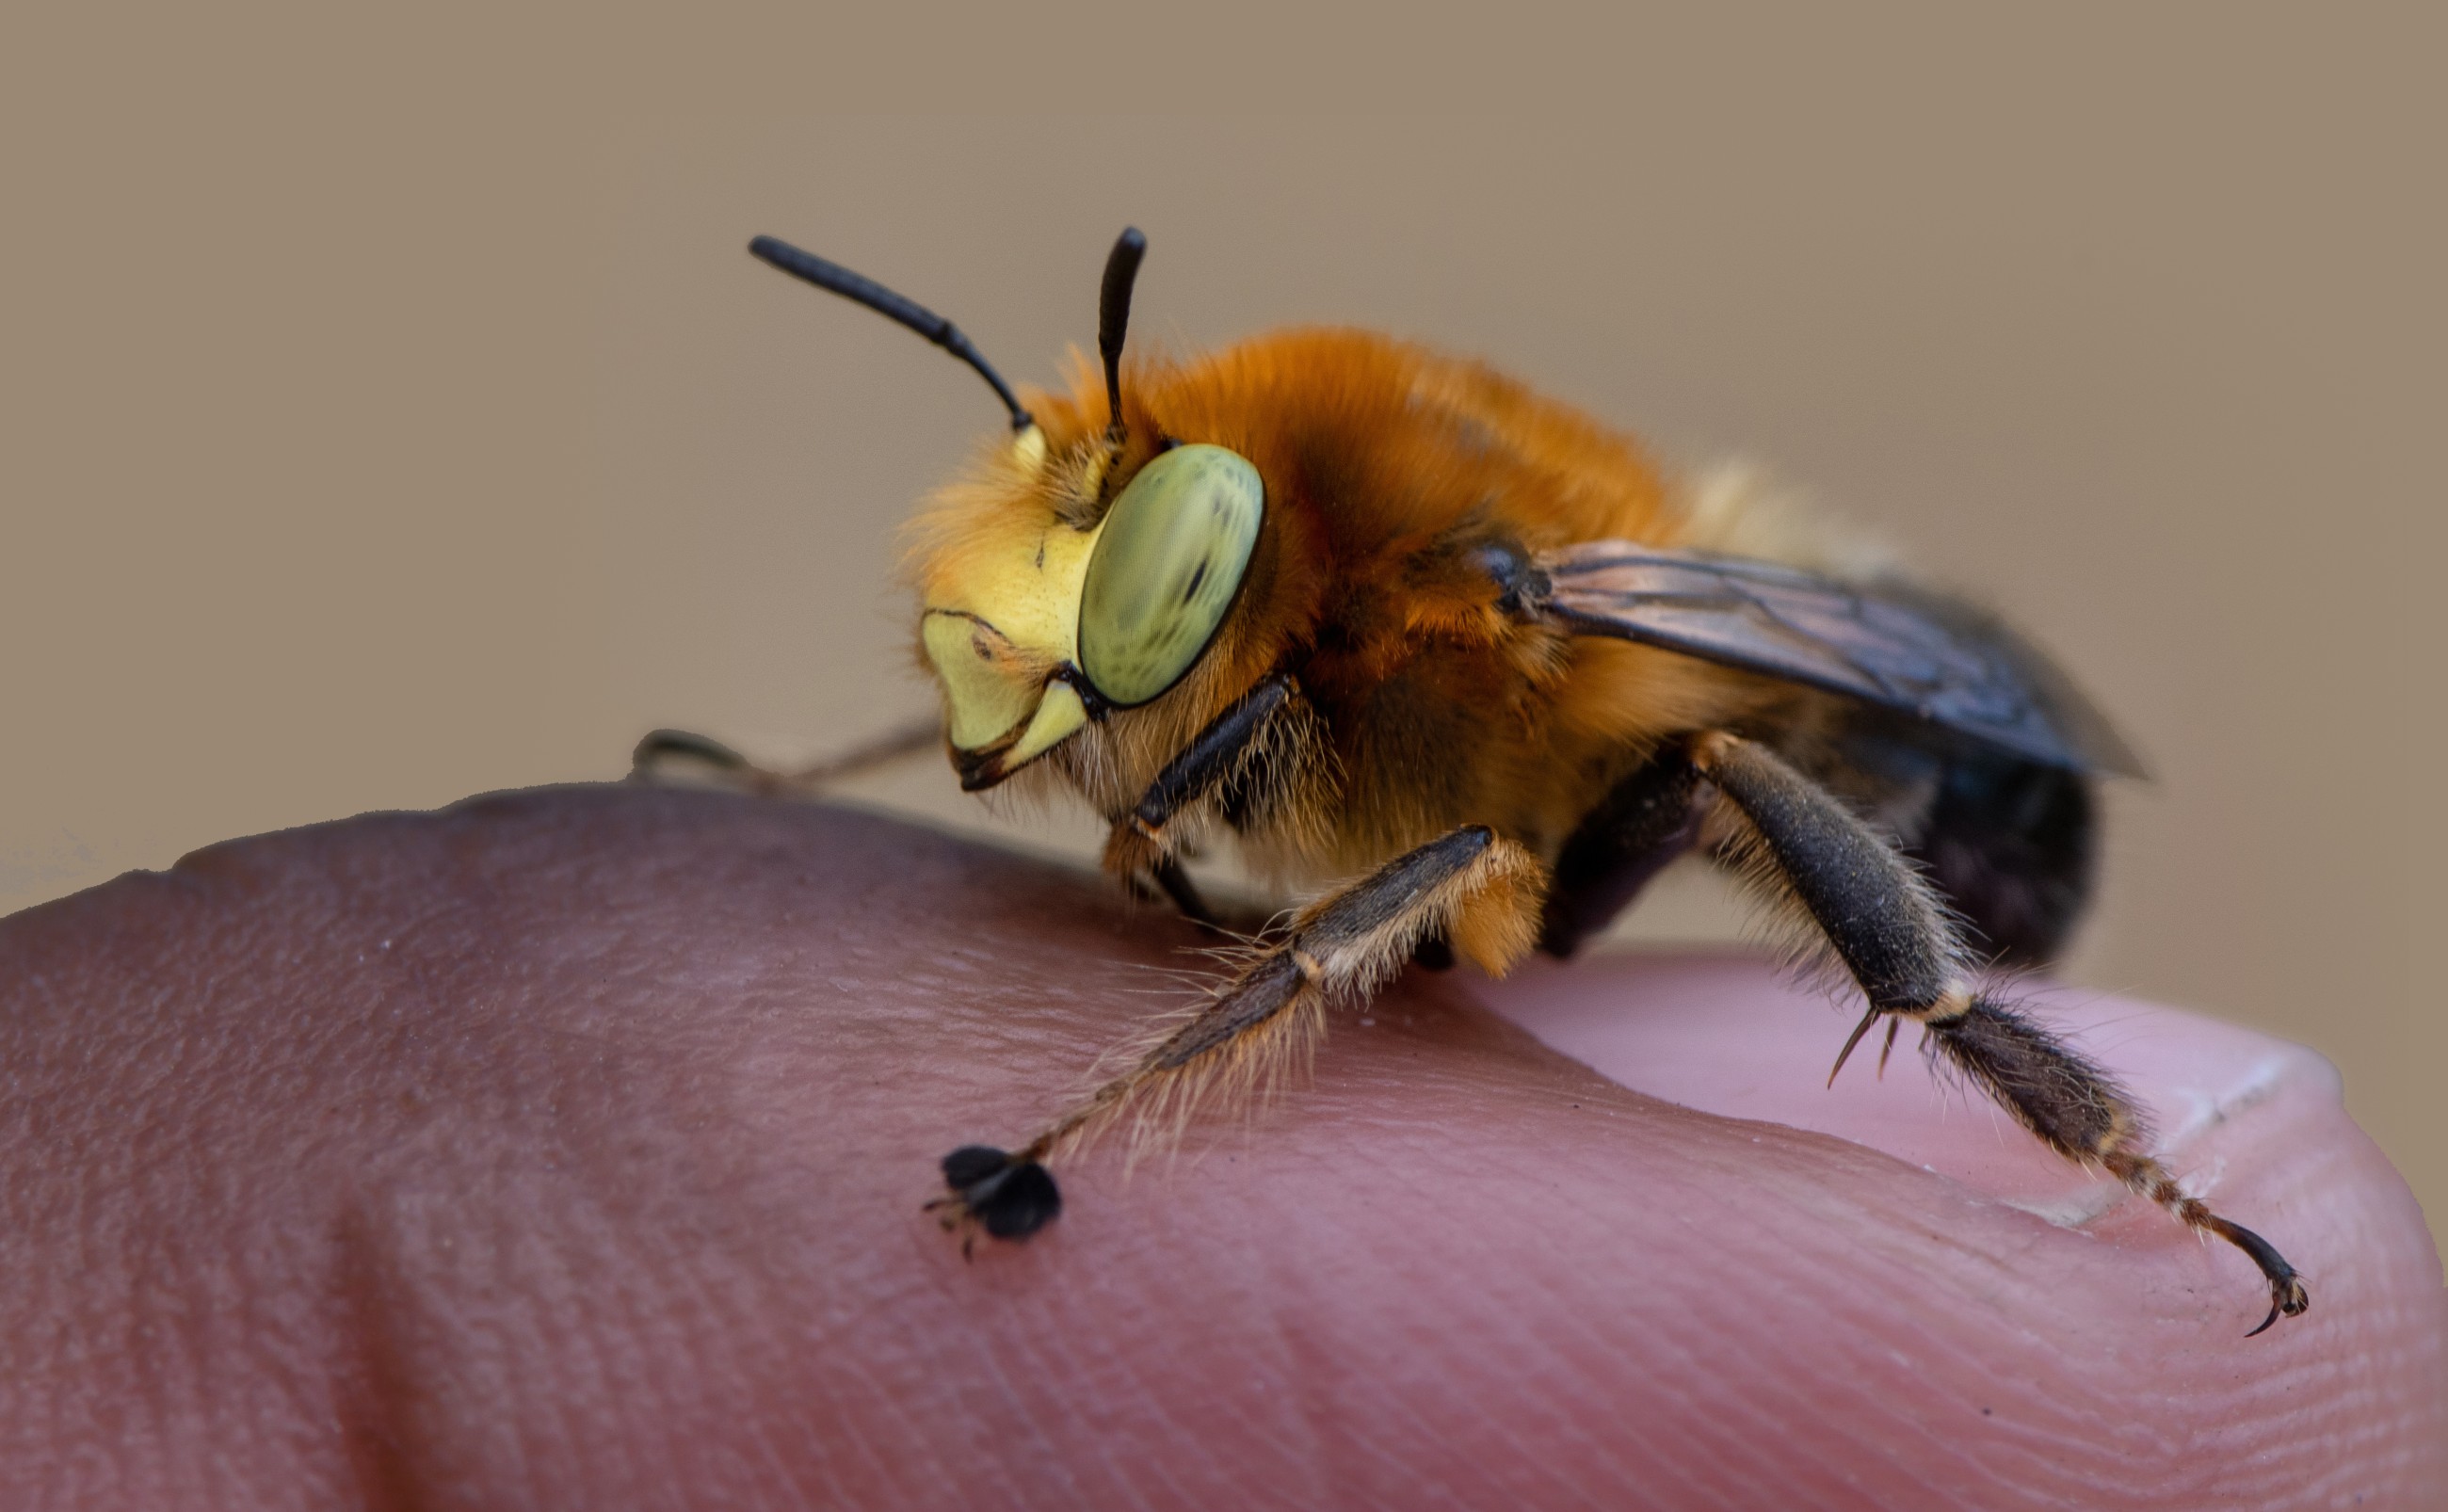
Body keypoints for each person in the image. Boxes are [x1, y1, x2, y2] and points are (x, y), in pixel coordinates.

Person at [0, 784, 2439, 1508]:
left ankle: (2084, 1134)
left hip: (1891, 806)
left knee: (1673, 782)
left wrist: (1093, 1107)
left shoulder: (1437, 629)